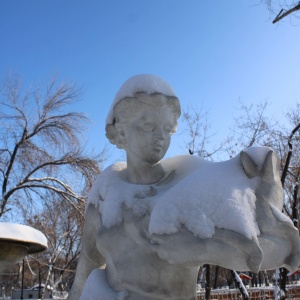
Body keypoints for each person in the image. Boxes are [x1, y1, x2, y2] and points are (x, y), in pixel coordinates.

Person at [68, 74, 300, 300]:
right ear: (121, 131)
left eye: (166, 128)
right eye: (148, 126)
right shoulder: (107, 191)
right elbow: (87, 266)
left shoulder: (190, 184)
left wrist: (204, 249)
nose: (160, 136)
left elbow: (282, 248)